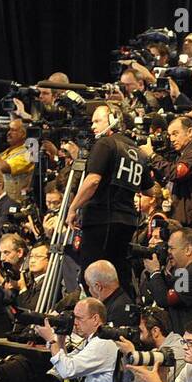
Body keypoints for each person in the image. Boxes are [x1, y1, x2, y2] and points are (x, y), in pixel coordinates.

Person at [69, 103, 146, 278]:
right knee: (119, 275)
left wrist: (73, 208)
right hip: (127, 222)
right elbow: (149, 190)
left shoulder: (105, 143)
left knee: (91, 276)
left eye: (97, 121)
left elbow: (93, 181)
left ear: (113, 120)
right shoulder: (137, 150)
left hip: (101, 220)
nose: (92, 126)